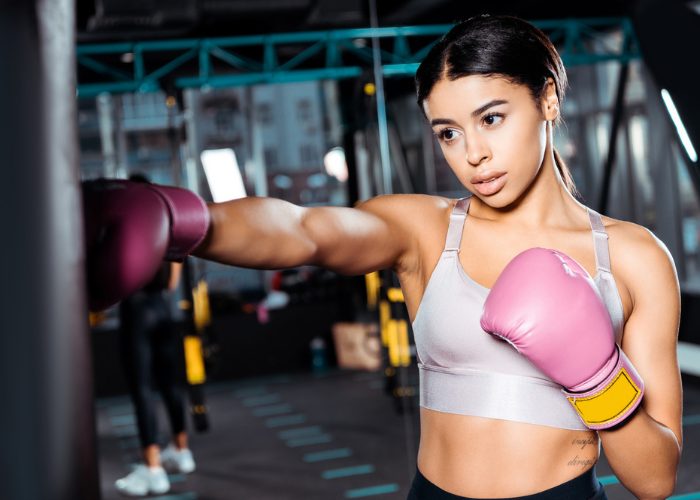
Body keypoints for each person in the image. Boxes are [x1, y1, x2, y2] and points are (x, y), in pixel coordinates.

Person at [83, 15, 682, 500]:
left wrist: (596, 378)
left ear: (547, 100)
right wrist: (184, 220)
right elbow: (304, 229)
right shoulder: (424, 230)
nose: (473, 154)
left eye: (492, 118)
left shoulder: (629, 258)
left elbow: (654, 479)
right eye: (448, 132)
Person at [111, 174, 197, 497]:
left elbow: (117, 277)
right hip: (164, 312)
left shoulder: (125, 228)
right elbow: (172, 284)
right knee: (172, 386)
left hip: (136, 313)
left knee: (143, 390)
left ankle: (152, 469)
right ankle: (181, 450)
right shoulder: (167, 225)